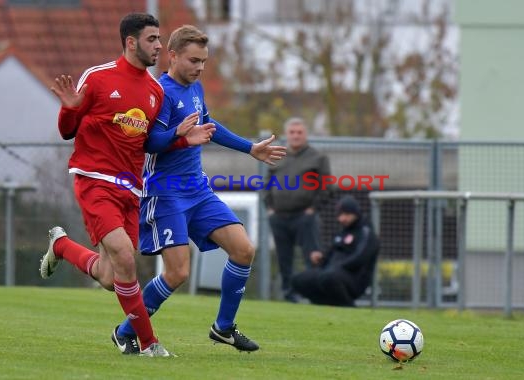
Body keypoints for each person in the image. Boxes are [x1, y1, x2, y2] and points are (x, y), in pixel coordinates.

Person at [39, 13, 214, 358]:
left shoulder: (153, 90)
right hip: (95, 180)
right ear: (131, 42)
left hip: (131, 188)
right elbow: (67, 130)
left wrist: (180, 138)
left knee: (109, 275)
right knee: (125, 259)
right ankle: (148, 343)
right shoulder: (100, 77)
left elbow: (147, 143)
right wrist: (69, 110)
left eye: (159, 39)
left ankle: (61, 246)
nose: (159, 46)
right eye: (152, 40)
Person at [111, 24, 287, 354]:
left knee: (243, 249)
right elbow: (148, 143)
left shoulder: (196, 88)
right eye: (194, 60)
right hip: (165, 193)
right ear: (173, 56)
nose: (200, 67)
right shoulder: (159, 93)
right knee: (177, 272)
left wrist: (250, 148)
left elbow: (209, 124)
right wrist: (179, 136)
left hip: (198, 190)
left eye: (204, 61)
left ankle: (223, 328)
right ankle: (125, 331)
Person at [262, 117, 331, 303]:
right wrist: (270, 208)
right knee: (285, 260)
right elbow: (266, 185)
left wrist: (313, 209)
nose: (295, 136)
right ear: (287, 135)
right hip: (279, 217)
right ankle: (289, 295)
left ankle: (315, 295)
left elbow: (327, 187)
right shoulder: (278, 156)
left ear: (306, 134)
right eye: (292, 132)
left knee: (312, 257)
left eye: (299, 132)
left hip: (305, 216)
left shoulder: (318, 158)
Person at [291, 195, 380, 307]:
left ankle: (348, 307)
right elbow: (330, 255)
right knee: (299, 279)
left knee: (328, 277)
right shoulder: (342, 233)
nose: (342, 219)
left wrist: (337, 267)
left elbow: (360, 258)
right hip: (331, 273)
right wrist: (321, 258)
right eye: (340, 215)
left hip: (353, 278)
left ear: (356, 213)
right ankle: (321, 305)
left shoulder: (366, 232)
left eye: (346, 214)